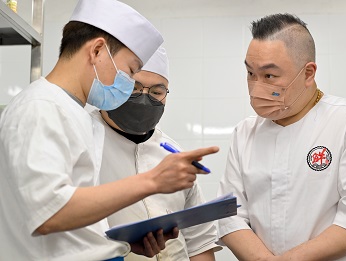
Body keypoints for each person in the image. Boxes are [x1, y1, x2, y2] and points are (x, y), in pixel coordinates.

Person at [0, 0, 218, 260]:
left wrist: (118, 244)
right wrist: (152, 180)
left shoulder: (67, 111)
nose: (128, 87)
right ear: (97, 51)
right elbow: (48, 212)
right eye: (130, 71)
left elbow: (69, 214)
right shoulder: (41, 108)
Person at [217, 13, 346, 261]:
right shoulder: (244, 133)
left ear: (308, 73)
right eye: (250, 74)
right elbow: (229, 215)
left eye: (269, 76)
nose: (256, 88)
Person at [89, 46, 221, 261]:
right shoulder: (82, 139)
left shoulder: (173, 153)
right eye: (134, 88)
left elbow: (199, 241)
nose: (144, 98)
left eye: (156, 92)